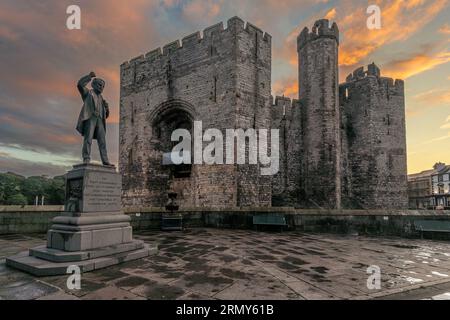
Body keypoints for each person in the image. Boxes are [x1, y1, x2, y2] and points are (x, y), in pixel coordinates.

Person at [76, 71, 112, 166]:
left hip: (100, 120)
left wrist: (107, 108)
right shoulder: (88, 93)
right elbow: (79, 85)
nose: (101, 88)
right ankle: (86, 158)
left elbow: (105, 116)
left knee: (102, 142)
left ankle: (105, 160)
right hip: (91, 118)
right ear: (94, 85)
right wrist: (89, 76)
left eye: (103, 86)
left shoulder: (102, 98)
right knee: (88, 139)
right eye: (100, 85)